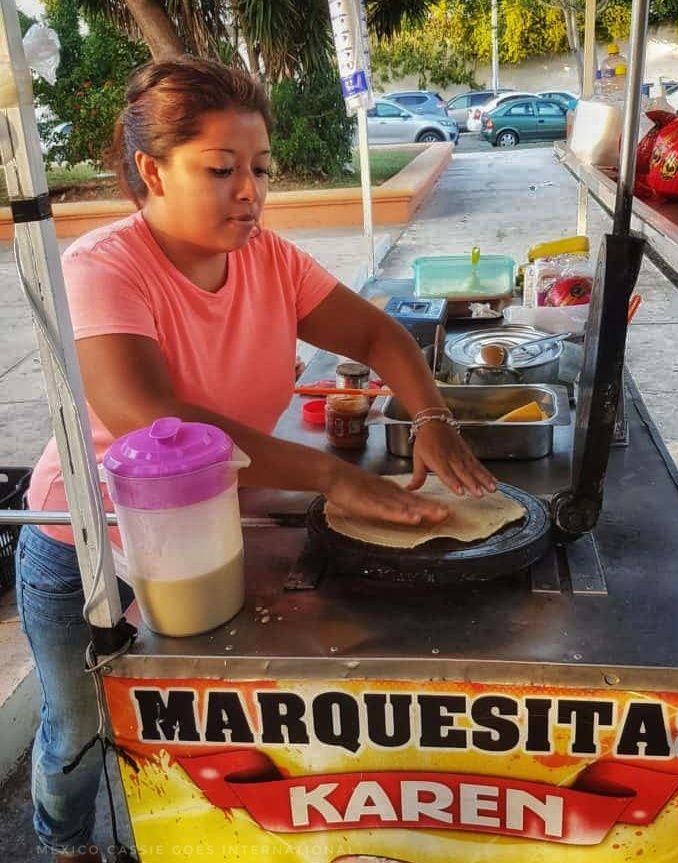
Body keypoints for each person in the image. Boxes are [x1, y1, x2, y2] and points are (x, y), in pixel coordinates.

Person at [16, 57, 495, 863]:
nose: (252, 191)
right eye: (221, 169)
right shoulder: (101, 268)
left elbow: (379, 334)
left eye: (261, 169)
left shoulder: (269, 258)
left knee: (199, 712)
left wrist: (432, 414)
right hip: (90, 539)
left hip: (211, 529)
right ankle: (63, 845)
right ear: (150, 171)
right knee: (78, 725)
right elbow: (153, 417)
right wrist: (335, 476)